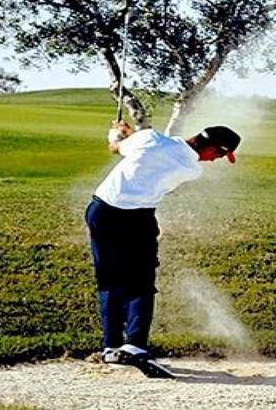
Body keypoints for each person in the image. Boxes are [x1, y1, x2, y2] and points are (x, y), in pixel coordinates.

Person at [85, 120, 241, 378]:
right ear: (213, 150)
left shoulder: (150, 138)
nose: (215, 161)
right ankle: (134, 345)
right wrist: (126, 136)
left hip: (102, 211)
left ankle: (111, 346)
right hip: (137, 219)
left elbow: (118, 148)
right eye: (221, 156)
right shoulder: (190, 168)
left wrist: (117, 134)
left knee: (109, 281)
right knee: (141, 282)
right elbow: (143, 149)